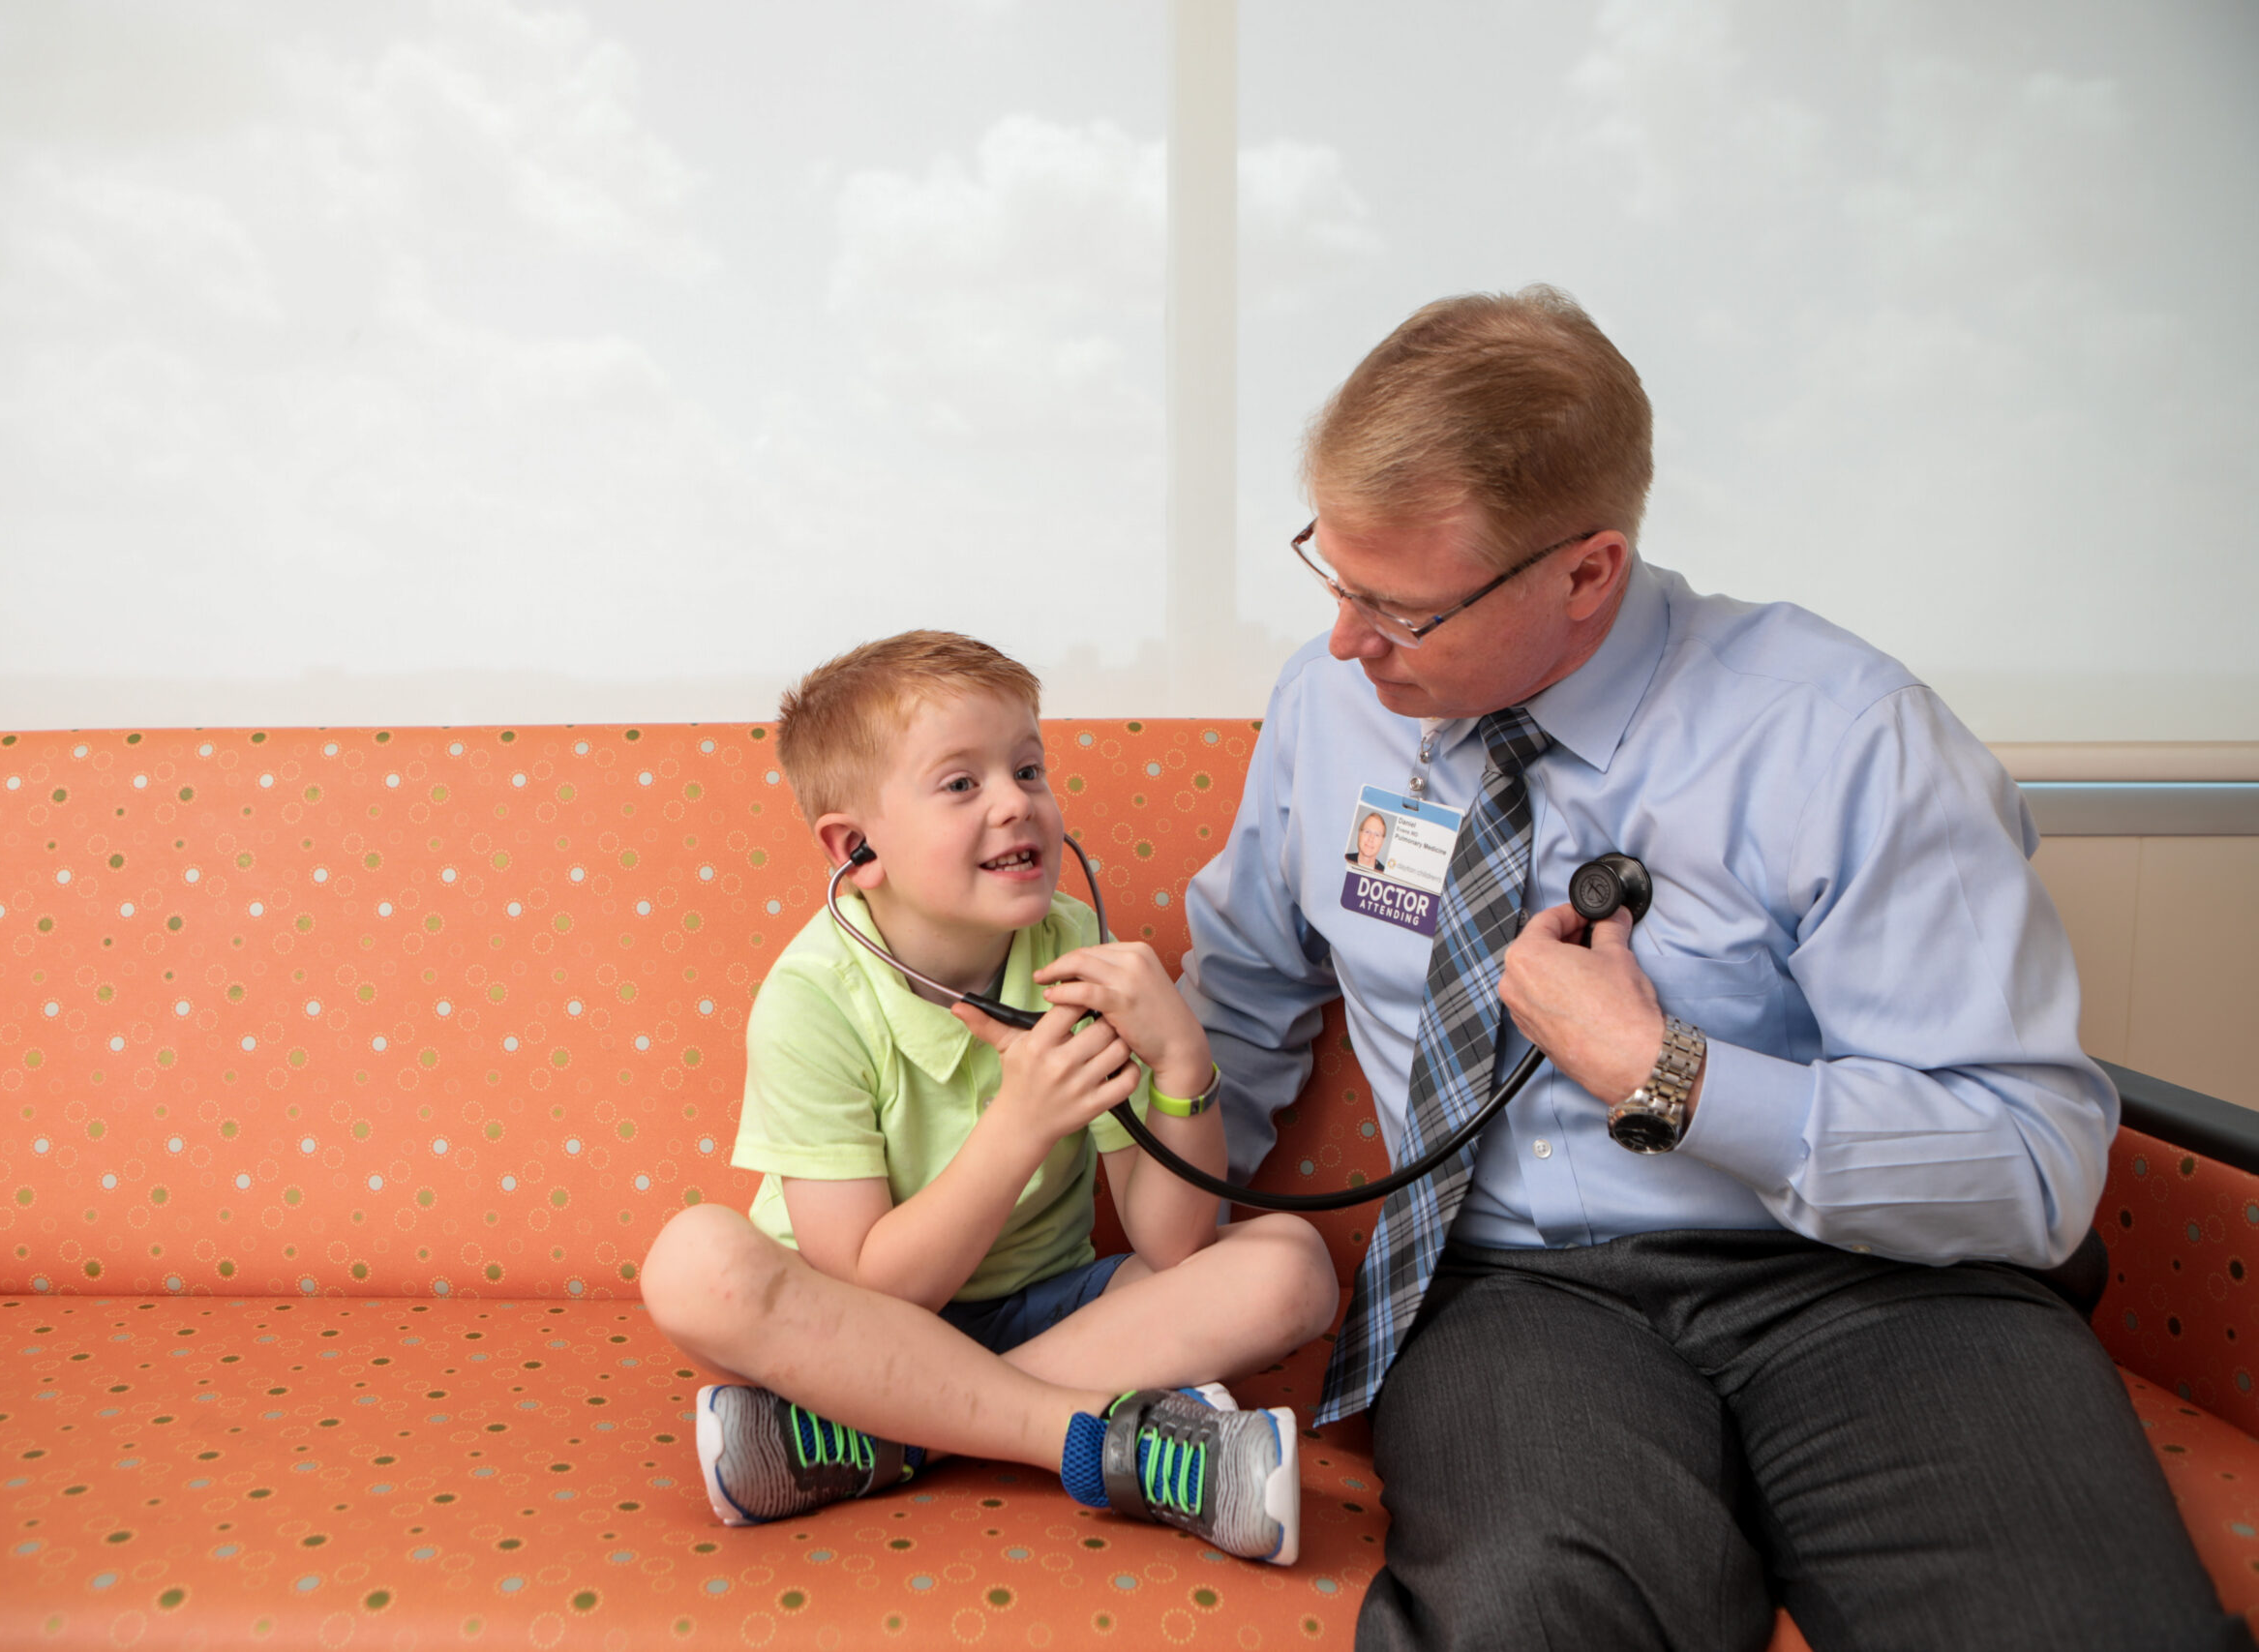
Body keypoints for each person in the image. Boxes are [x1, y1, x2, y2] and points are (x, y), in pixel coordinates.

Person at [1178, 287, 2244, 1647]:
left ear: (1587, 571)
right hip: (1523, 1295)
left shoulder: (1848, 736)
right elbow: (1245, 1002)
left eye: (1399, 605)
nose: (1345, 639)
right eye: (1333, 577)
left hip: (1882, 1284)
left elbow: (2032, 1163)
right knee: (1525, 1618)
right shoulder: (1330, 708)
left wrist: (1665, 1072)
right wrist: (1155, 1252)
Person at [641, 630, 1339, 1565]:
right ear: (857, 848)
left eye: (1028, 768)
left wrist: (1181, 1059)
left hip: (1044, 1308)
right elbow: (872, 1287)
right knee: (694, 1262)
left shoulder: (1071, 945)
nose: (1017, 802)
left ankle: (886, 1438)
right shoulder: (811, 999)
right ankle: (1091, 1440)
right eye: (961, 783)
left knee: (1291, 1266)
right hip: (849, 1326)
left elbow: (1171, 1243)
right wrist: (1017, 1128)